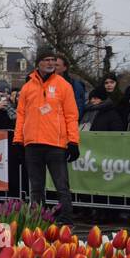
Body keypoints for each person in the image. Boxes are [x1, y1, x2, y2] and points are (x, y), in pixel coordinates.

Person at [14, 45, 79, 227]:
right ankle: (38, 219)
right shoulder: (27, 87)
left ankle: (66, 219)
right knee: (36, 187)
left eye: (53, 60)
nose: (51, 63)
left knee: (61, 186)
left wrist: (73, 141)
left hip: (55, 143)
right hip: (32, 143)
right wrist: (18, 140)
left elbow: (71, 115)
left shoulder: (64, 86)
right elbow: (21, 115)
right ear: (38, 63)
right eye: (47, 60)